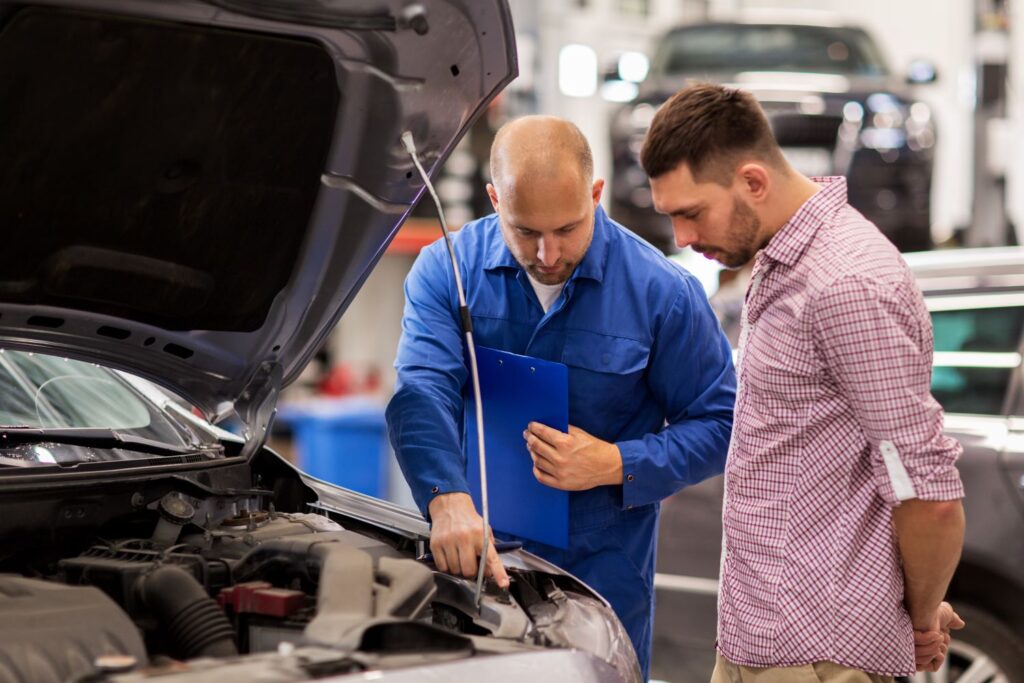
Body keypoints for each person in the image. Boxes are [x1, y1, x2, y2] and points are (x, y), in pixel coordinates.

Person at [386, 115, 736, 680]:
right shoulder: (447, 271)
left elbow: (721, 423)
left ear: (596, 195)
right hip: (477, 555)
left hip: (604, 575)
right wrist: (445, 497)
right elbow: (422, 389)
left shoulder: (662, 293)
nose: (548, 253)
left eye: (568, 229)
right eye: (525, 230)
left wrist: (616, 462)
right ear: (495, 198)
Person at [640, 83, 965, 682]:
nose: (681, 238)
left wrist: (918, 621)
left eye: (690, 213)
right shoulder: (782, 259)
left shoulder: (844, 284)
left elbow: (929, 494)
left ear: (753, 183)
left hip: (817, 659)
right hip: (756, 644)